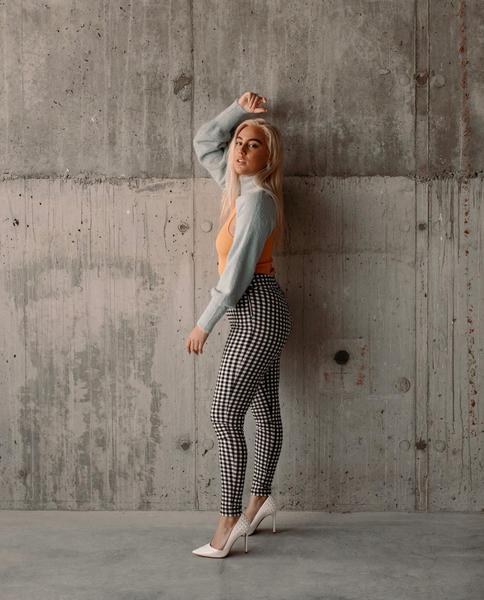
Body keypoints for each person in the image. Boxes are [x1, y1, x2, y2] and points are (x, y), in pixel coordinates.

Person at [187, 91, 293, 558]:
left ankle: (229, 520)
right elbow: (204, 143)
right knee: (265, 412)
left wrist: (204, 324)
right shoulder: (237, 190)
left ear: (269, 158)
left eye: (253, 145)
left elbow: (235, 276)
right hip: (259, 312)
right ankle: (261, 500)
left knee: (224, 414)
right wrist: (240, 110)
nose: (241, 150)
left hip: (257, 310)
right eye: (239, 142)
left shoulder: (257, 203)